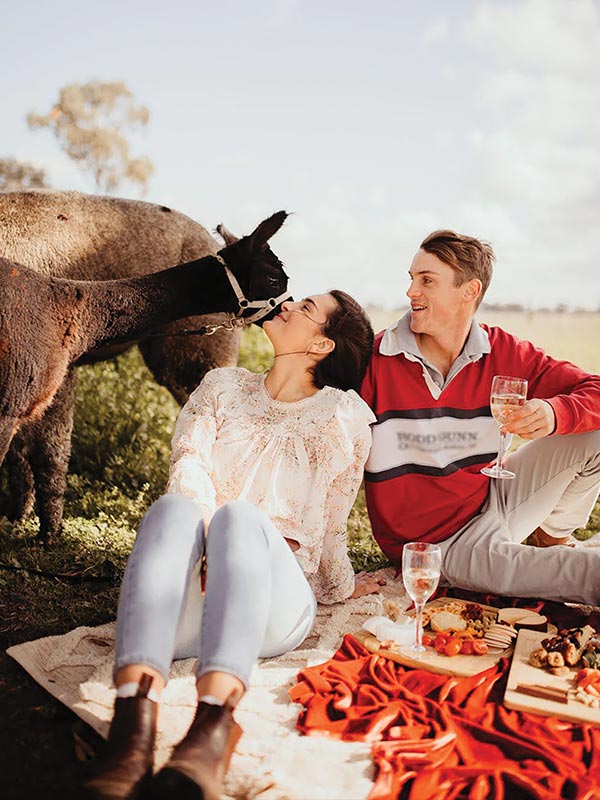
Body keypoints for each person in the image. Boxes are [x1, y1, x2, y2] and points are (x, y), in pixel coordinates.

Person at [84, 290, 382, 800]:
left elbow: (333, 525)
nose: (288, 304)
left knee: (240, 517)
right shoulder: (221, 387)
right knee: (172, 509)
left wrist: (342, 587)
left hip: (271, 608)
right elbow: (187, 466)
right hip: (190, 606)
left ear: (321, 345)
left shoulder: (343, 415)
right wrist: (207, 546)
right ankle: (131, 730)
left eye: (307, 308)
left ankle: (213, 727)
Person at [361, 230, 600, 605]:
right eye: (412, 279)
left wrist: (555, 412)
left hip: (493, 497)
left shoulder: (503, 350)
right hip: (444, 546)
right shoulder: (375, 359)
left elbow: (593, 388)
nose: (411, 292)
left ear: (469, 291)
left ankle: (551, 538)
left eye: (426, 280)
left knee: (594, 437)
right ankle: (547, 556)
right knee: (588, 573)